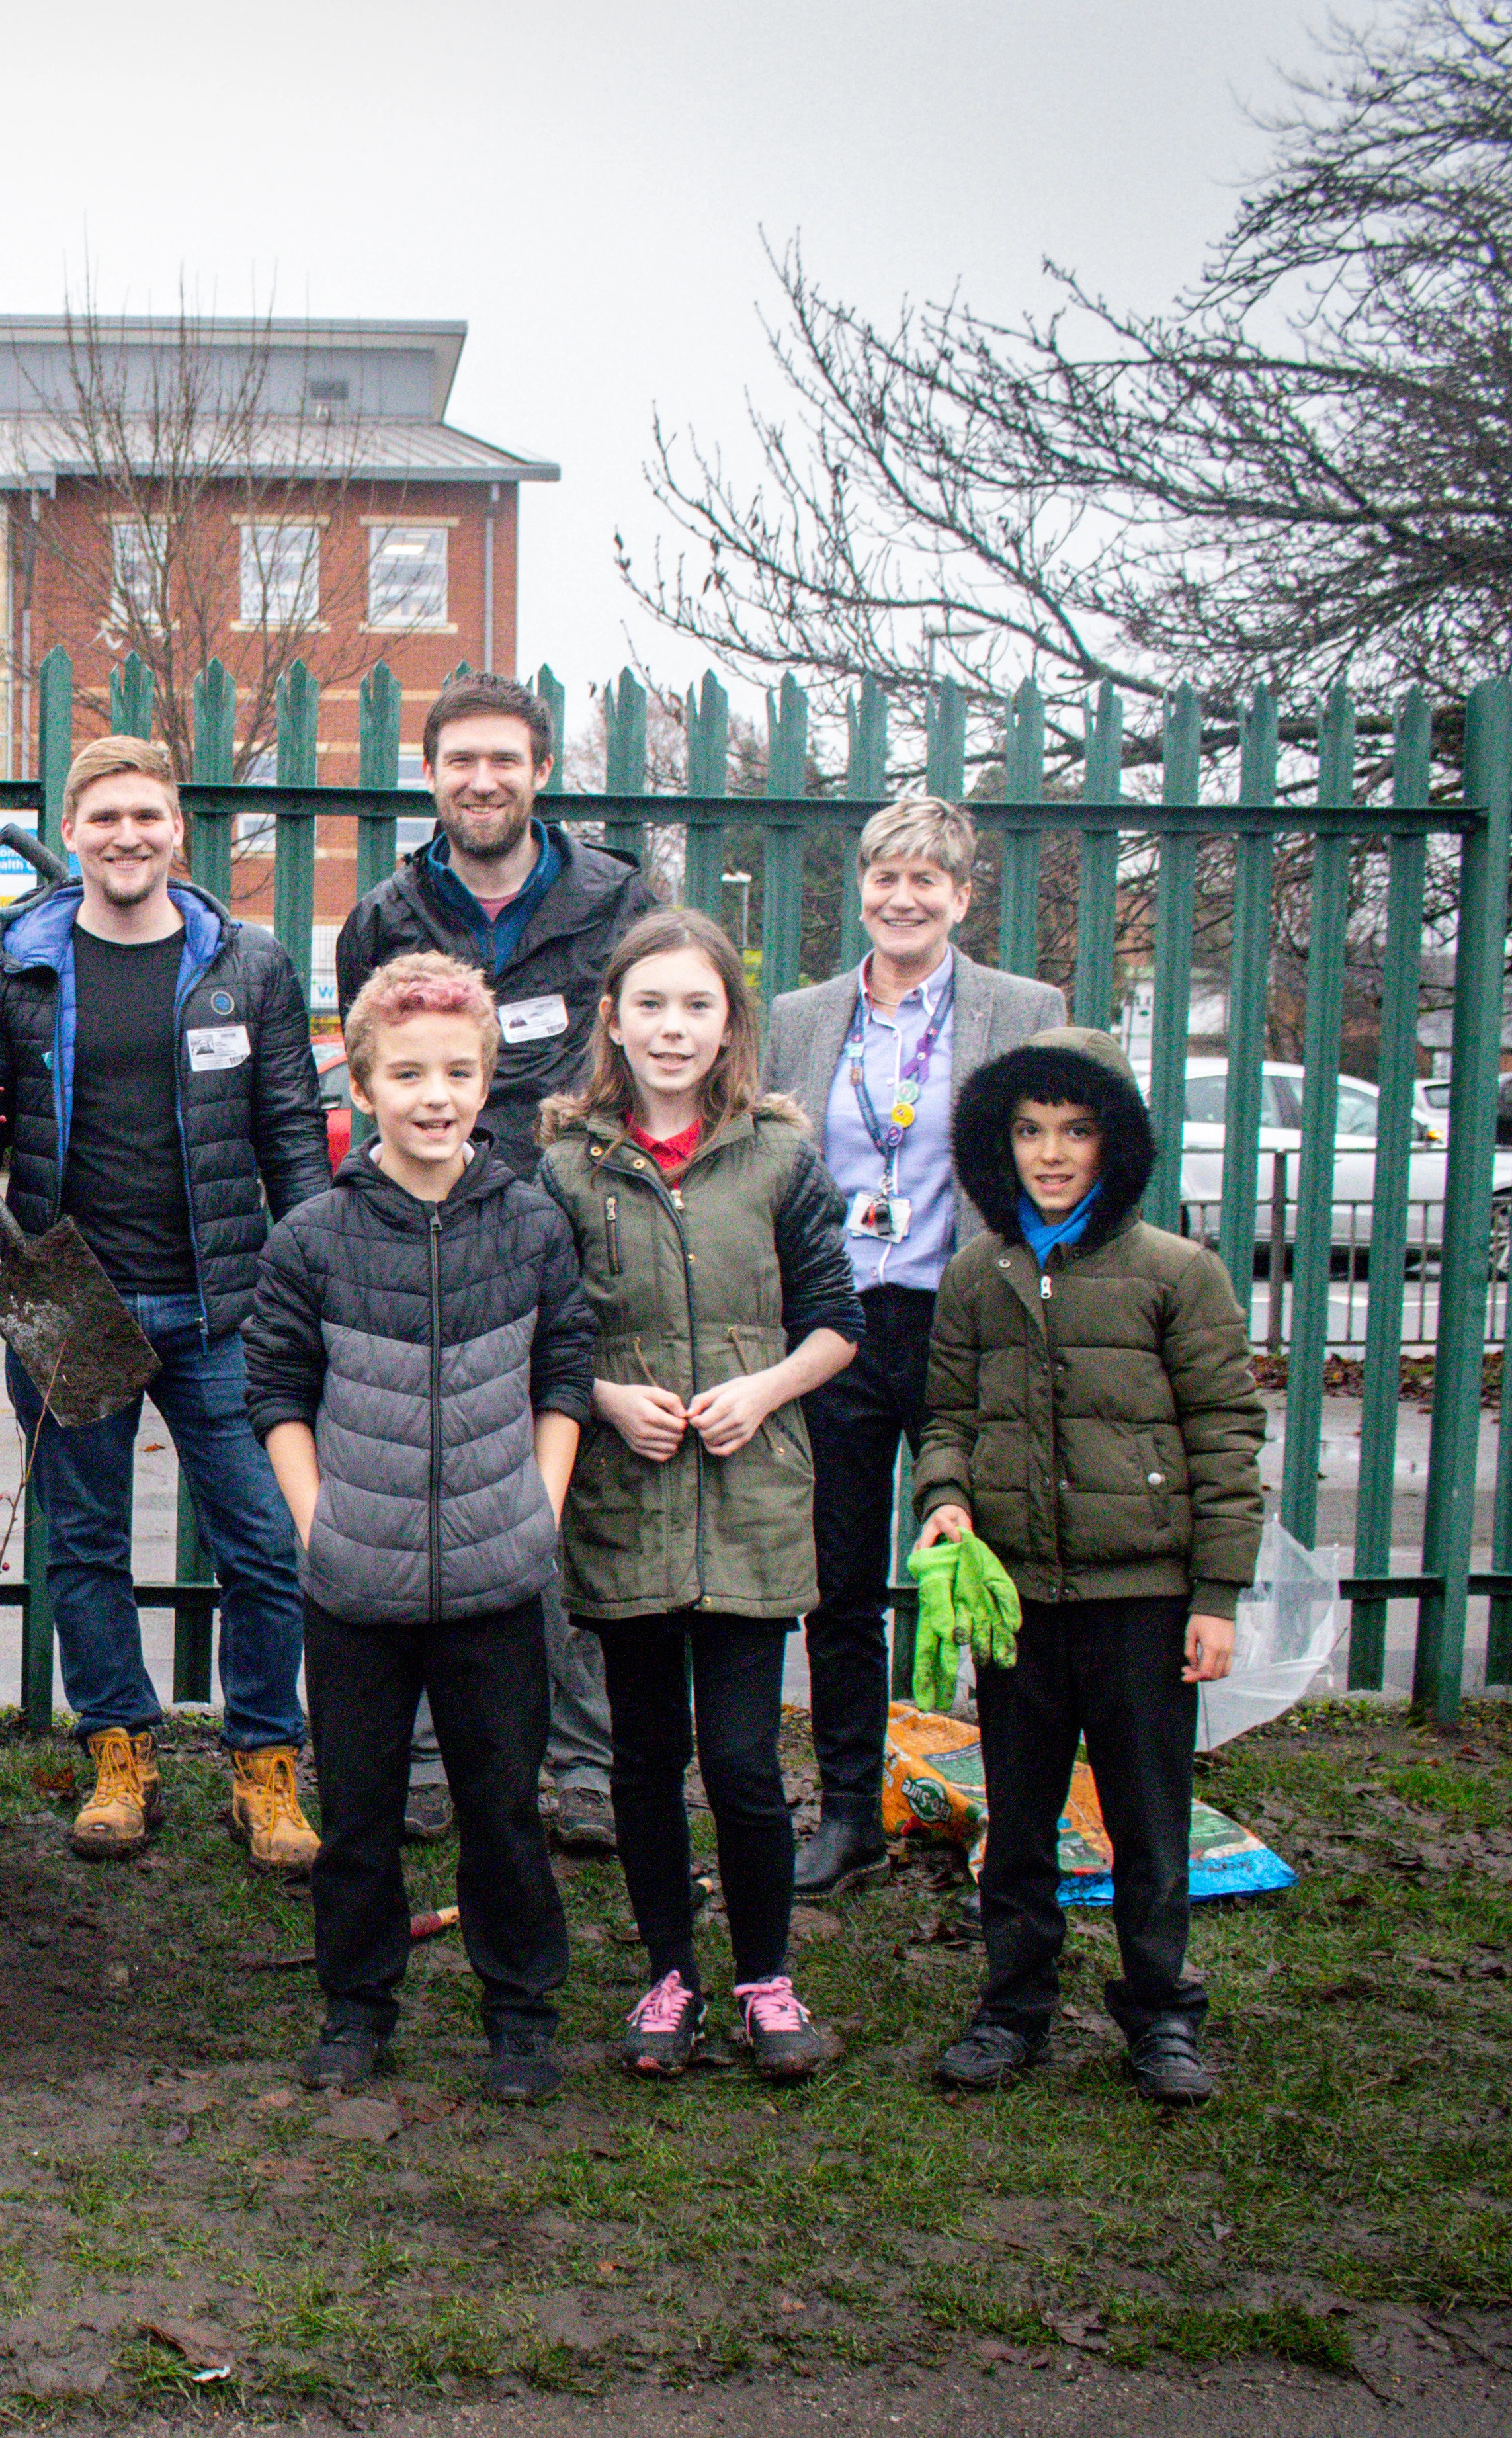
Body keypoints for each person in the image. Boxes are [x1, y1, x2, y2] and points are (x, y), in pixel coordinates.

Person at [0, 734, 329, 1871]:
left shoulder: (246, 963)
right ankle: (119, 1756)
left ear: (176, 830)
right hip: (65, 1293)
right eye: (103, 817)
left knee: (263, 1542)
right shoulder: (14, 968)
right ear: (71, 831)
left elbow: (293, 1135)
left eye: (146, 816)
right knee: (89, 1544)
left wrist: (312, 1280)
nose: (126, 836)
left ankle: (266, 1764)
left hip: (222, 1301)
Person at [247, 954, 593, 2101]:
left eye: (457, 1072)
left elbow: (567, 1374)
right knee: (359, 1813)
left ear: (487, 1081)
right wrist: (319, 1522)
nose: (434, 1096)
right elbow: (277, 1392)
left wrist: (537, 1510)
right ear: (363, 1087)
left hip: (499, 1583)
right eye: (407, 1074)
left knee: (501, 1808)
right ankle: (356, 2009)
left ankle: (522, 2015)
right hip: (358, 1588)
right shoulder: (314, 1238)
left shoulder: (535, 1227)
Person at [332, 667, 657, 1855]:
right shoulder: (384, 916)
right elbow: (372, 1073)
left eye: (504, 759)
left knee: (562, 1496)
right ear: (431, 775)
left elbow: (645, 1058)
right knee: (423, 1478)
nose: (483, 780)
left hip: (571, 1230)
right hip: (427, 1230)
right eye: (461, 760)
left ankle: (578, 1758)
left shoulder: (620, 900)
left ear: (541, 771)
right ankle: (420, 1756)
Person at [536, 908, 862, 2083]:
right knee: (643, 1758)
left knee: (741, 1760)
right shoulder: (569, 1167)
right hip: (625, 1504)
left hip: (750, 1505)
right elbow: (542, 1329)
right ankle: (668, 1973)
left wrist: (766, 1390)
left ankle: (767, 1978)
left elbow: (840, 1321)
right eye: (652, 1005)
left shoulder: (779, 1158)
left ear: (731, 1024)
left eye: (698, 1006)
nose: (674, 1028)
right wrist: (606, 1399)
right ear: (613, 1021)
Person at [914, 1027, 1263, 2109]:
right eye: (1029, 1130)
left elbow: (1225, 1436)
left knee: (1149, 1819)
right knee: (1017, 1821)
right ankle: (1013, 2007)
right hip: (1020, 1607)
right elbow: (948, 1419)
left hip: (1142, 1607)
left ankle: (1161, 2014)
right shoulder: (978, 1276)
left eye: (1076, 1130)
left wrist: (1215, 1595)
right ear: (996, 1143)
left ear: (1115, 1143)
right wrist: (947, 1498)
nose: (1052, 1153)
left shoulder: (1176, 1274)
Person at [765, 795, 1067, 1900]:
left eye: (926, 881)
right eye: (886, 877)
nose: (902, 898)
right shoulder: (799, 1019)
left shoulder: (1023, 1009)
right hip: (837, 1329)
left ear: (963, 897)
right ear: (861, 889)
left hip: (964, 1325)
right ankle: (848, 1813)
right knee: (837, 1581)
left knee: (980, 1576)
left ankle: (1011, 1807)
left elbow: (1058, 1160)